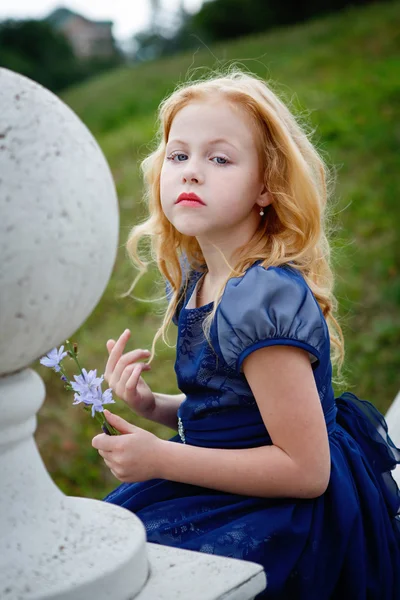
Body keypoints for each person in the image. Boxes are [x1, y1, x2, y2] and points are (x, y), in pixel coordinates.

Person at [91, 68, 400, 599]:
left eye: (219, 158)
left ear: (266, 186)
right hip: (239, 478)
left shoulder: (260, 297)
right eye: (178, 155)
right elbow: (235, 414)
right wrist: (154, 406)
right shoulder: (203, 277)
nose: (191, 173)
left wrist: (161, 458)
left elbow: (306, 471)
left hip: (290, 514)